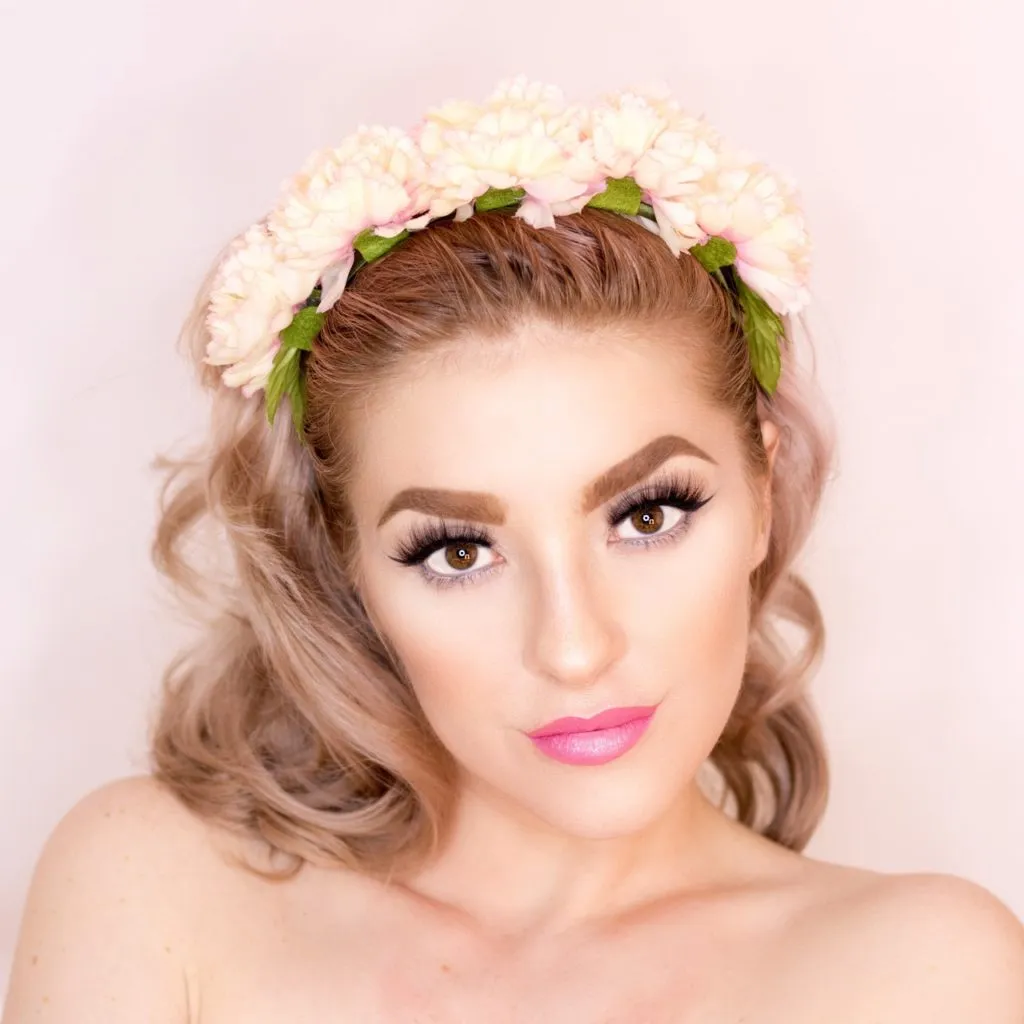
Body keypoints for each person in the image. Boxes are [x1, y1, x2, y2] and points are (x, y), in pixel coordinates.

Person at [4, 77, 1022, 1023]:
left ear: (762, 489)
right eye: (456, 552)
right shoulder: (158, 887)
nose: (574, 648)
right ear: (343, 561)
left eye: (648, 515)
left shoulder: (921, 972)